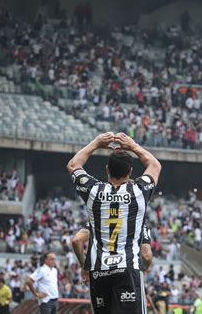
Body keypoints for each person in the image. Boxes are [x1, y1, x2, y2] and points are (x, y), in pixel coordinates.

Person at [66, 132, 162, 314]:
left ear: (107, 169)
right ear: (131, 172)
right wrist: (133, 145)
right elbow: (154, 165)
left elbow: (73, 165)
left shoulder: (93, 190)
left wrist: (96, 143)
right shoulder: (139, 191)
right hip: (127, 267)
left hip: (99, 270)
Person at [72, 220, 154, 282]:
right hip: (128, 271)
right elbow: (147, 256)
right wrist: (144, 268)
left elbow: (76, 241)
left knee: (102, 304)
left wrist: (84, 266)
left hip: (99, 272)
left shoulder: (96, 217)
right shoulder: (138, 220)